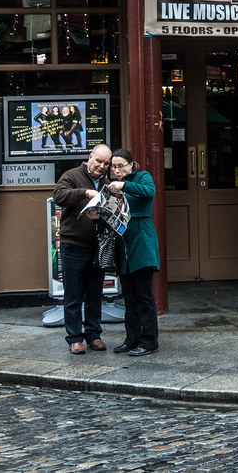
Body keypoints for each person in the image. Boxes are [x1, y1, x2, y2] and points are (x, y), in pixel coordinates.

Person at [52, 144, 113, 355]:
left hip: (97, 246)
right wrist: (84, 192)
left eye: (106, 163)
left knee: (95, 294)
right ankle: (75, 338)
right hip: (74, 245)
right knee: (74, 294)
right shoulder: (72, 175)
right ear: (90, 158)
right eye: (99, 161)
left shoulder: (107, 183)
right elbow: (59, 196)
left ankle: (94, 335)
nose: (102, 166)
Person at [106, 148, 160, 356]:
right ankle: (132, 339)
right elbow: (109, 214)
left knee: (143, 295)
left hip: (142, 242)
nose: (117, 170)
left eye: (120, 166)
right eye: (114, 167)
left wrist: (125, 185)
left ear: (131, 165)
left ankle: (149, 341)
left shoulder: (142, 177)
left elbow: (149, 192)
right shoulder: (111, 187)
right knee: (129, 297)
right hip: (124, 245)